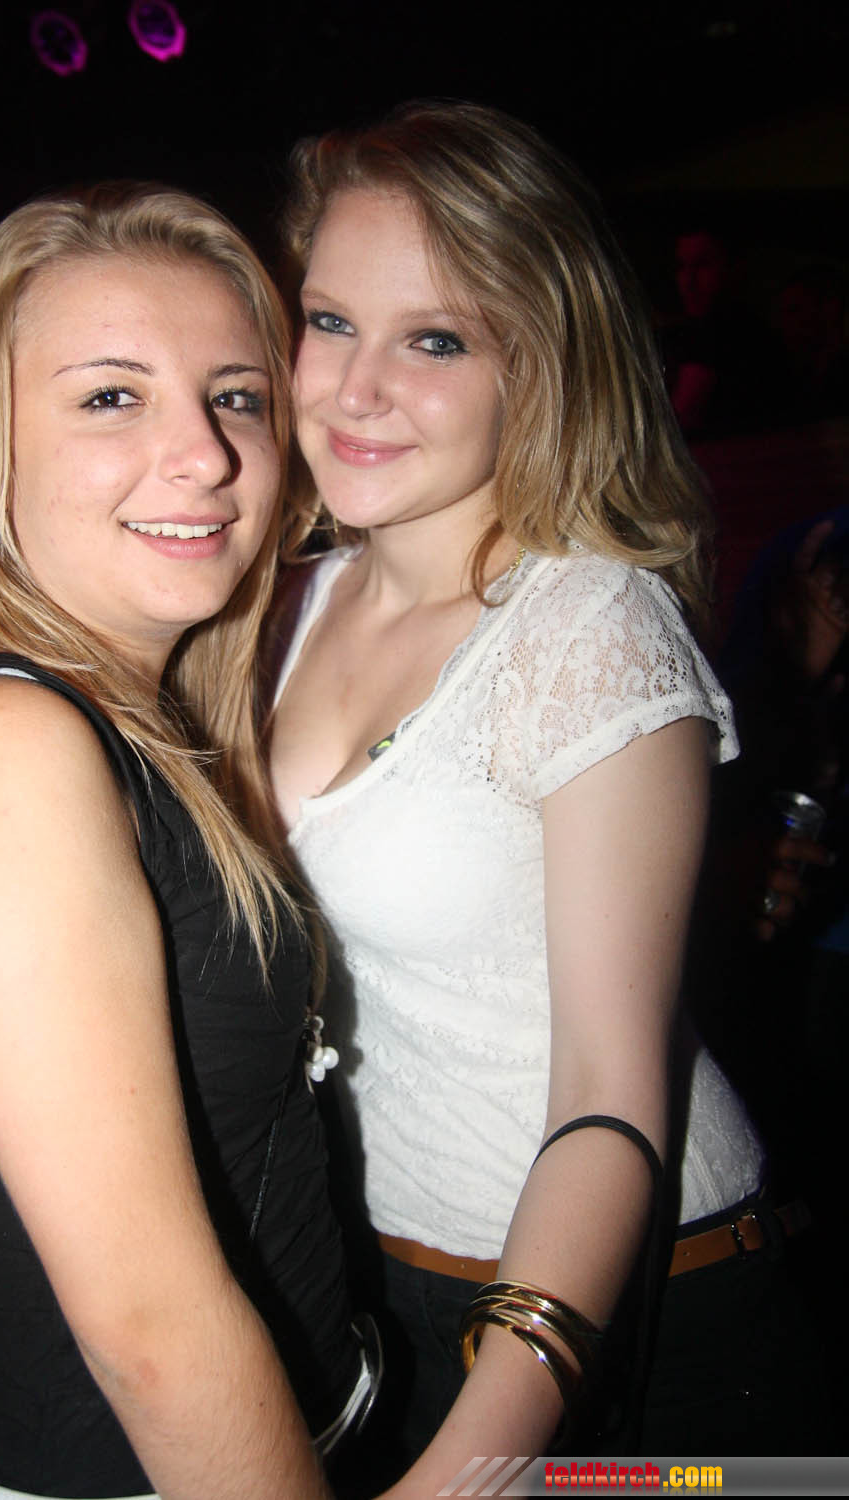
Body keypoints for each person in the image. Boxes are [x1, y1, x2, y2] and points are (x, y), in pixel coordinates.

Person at [268, 102, 824, 1489]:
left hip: (638, 1315)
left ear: (541, 361)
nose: (356, 388)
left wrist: (474, 1468)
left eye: (435, 340)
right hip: (388, 1276)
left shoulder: (589, 633)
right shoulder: (291, 602)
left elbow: (608, 1091)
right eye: (330, 321)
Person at [0, 184, 370, 1500]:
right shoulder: (4, 748)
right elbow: (151, 1334)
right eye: (110, 397)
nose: (203, 454)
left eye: (235, 396)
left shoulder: (140, 720)